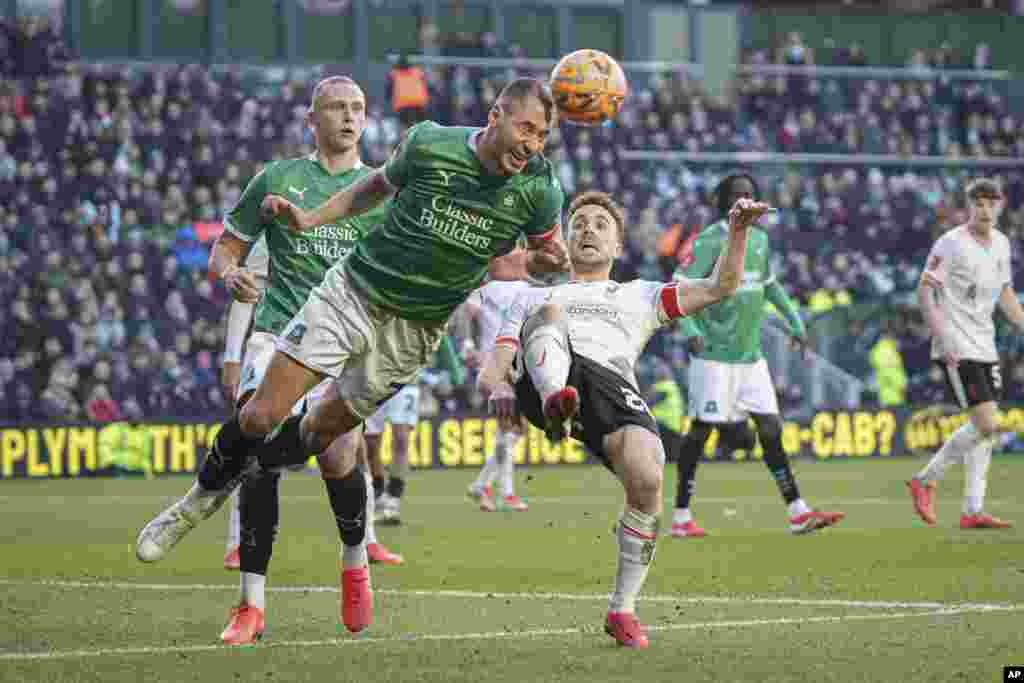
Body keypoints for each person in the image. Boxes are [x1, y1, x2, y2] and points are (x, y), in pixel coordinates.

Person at [135, 77, 570, 631]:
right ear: (496, 115)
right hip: (352, 294)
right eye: (525, 127)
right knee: (259, 416)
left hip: (414, 331)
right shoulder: (429, 142)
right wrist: (313, 219)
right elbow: (375, 188)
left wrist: (544, 267)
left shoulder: (539, 189)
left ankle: (349, 560)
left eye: (542, 134)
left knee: (325, 441)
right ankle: (200, 499)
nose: (532, 143)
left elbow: (522, 263)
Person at [139, 75, 399, 642]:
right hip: (278, 336)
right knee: (258, 454)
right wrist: (231, 273)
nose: (349, 117)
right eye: (336, 108)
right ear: (312, 120)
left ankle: (355, 561)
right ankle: (250, 605)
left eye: (357, 108)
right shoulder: (279, 179)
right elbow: (226, 246)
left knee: (338, 458)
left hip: (349, 344)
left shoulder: (378, 193)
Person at [478, 190, 768, 648]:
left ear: (618, 247)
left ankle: (622, 609)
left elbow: (720, 287)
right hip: (543, 378)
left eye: (600, 224)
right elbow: (494, 366)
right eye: (579, 223)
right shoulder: (534, 297)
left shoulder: (641, 295)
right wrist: (496, 388)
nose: (588, 229)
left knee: (649, 475)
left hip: (609, 392)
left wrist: (738, 231)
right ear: (566, 243)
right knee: (550, 314)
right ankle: (558, 404)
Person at [670, 172, 845, 538]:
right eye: (737, 195)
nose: (745, 200)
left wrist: (795, 323)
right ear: (724, 202)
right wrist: (689, 331)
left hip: (751, 357)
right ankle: (681, 517)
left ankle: (797, 510)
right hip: (713, 355)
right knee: (702, 432)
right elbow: (678, 285)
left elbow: (769, 287)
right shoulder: (710, 240)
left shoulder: (762, 240)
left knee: (770, 428)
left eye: (750, 194)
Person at [219, 234, 403, 575]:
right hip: (282, 346)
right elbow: (247, 291)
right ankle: (236, 543)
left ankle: (366, 542)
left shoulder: (358, 218)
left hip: (336, 345)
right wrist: (233, 357)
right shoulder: (279, 227)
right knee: (256, 440)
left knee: (351, 446)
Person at [908, 178, 1019, 530]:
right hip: (956, 343)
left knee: (983, 429)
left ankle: (973, 510)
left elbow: (1005, 294)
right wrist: (942, 335)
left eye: (991, 203)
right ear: (969, 207)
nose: (985, 210)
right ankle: (925, 479)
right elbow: (925, 290)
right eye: (979, 203)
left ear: (1000, 206)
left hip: (985, 344)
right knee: (987, 424)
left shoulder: (1001, 244)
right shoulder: (951, 243)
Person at [462, 277, 536, 512]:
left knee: (516, 429)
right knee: (508, 427)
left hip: (517, 361)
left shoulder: (526, 287)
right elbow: (466, 316)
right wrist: (467, 346)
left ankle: (481, 485)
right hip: (492, 361)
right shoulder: (483, 289)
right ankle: (507, 494)